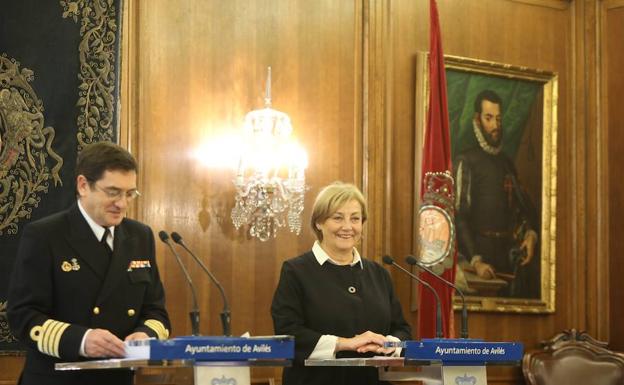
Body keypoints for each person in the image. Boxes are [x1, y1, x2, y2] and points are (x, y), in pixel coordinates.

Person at [8, 141, 171, 385]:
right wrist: (82, 340)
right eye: (113, 192)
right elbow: (23, 315)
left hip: (116, 379)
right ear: (83, 185)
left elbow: (155, 310)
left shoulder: (140, 236)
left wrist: (145, 335)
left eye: (130, 194)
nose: (123, 204)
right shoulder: (45, 235)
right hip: (58, 378)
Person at [271, 182, 412, 385]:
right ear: (319, 223)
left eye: (355, 218)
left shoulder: (378, 273)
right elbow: (288, 333)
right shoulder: (296, 271)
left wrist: (388, 344)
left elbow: (402, 329)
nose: (348, 227)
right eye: (338, 218)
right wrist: (346, 344)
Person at [454, 89, 539, 298]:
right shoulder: (467, 161)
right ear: (477, 119)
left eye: (498, 119)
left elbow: (520, 208)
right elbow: (459, 217)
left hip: (507, 258)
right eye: (489, 118)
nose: (495, 126)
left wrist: (530, 234)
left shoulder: (507, 163)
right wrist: (476, 261)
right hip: (478, 257)